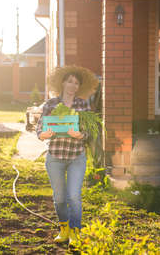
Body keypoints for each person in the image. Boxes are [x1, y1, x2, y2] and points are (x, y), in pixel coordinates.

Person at [36, 65, 98, 245]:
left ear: (79, 87)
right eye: (69, 81)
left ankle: (75, 232)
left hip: (76, 157)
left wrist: (81, 135)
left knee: (74, 196)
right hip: (55, 156)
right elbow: (40, 127)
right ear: (62, 83)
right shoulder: (51, 104)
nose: (72, 85)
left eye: (76, 83)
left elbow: (90, 130)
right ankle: (63, 229)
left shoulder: (82, 105)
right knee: (60, 197)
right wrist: (42, 135)